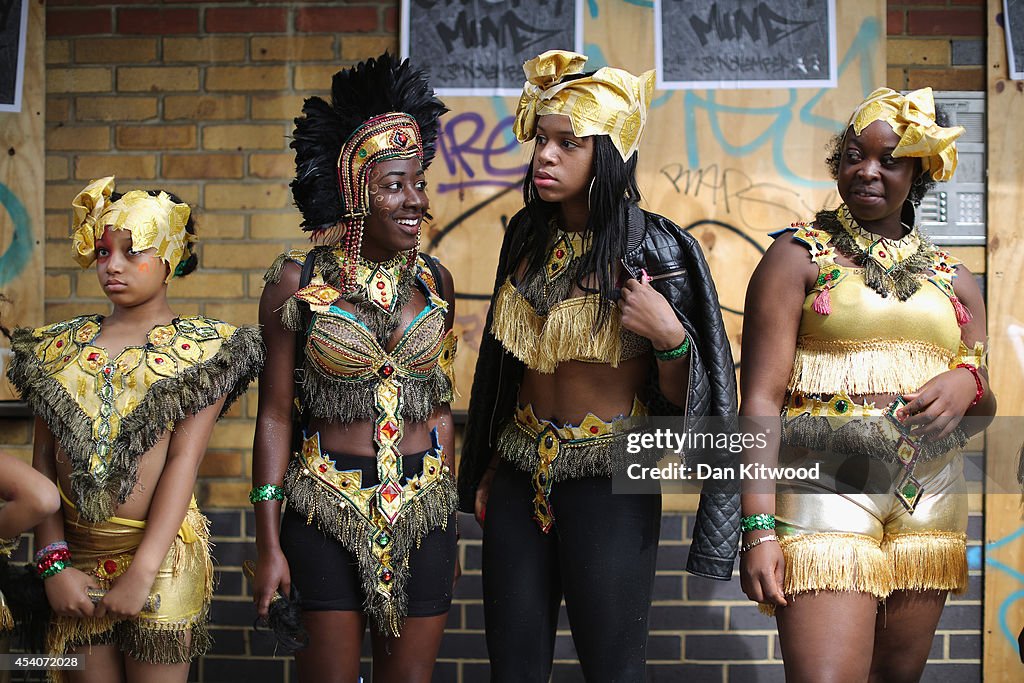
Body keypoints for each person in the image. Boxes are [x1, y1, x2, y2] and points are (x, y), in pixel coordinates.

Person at [459, 50, 739, 681]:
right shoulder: (526, 234)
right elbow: (505, 372)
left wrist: (670, 338)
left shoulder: (659, 246)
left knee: (613, 669)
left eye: (568, 144)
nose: (544, 157)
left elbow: (682, 399)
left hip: (611, 480)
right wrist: (492, 462)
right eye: (540, 140)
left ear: (608, 154)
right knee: (513, 667)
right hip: (518, 473)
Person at [738, 87, 996, 682]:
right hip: (826, 486)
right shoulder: (795, 255)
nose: (868, 170)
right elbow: (760, 400)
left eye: (890, 159)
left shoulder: (955, 279)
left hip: (929, 495)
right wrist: (756, 527)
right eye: (854, 155)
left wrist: (967, 384)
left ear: (921, 171)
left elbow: (985, 410)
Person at [250, 53, 457, 683]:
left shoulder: (435, 282)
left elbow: (440, 403)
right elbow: (275, 415)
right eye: (396, 184)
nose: (415, 199)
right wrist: (268, 540)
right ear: (355, 191)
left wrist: (448, 500)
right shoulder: (298, 281)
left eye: (419, 183)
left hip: (423, 510)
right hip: (324, 510)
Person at [7, 177, 264, 682]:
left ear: (170, 258)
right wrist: (54, 565)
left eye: (133, 251)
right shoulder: (56, 349)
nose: (113, 266)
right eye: (103, 252)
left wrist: (143, 572)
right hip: (74, 557)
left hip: (161, 557)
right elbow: (42, 464)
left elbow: (181, 463)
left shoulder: (204, 351)